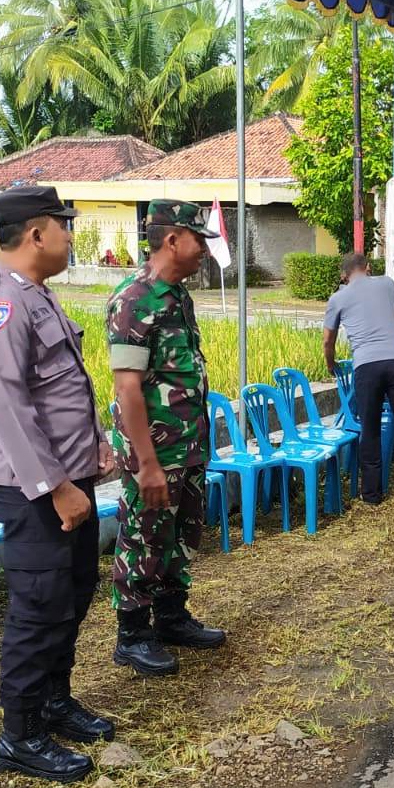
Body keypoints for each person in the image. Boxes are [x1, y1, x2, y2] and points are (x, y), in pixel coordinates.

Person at [0, 185, 117, 783]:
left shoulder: (37, 297)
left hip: (69, 478)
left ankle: (54, 699)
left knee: (73, 592)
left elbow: (64, 389)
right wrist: (55, 487)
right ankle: (19, 734)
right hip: (34, 489)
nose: (71, 238)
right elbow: (7, 406)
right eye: (65, 226)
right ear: (36, 234)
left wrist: (92, 448)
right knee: (39, 605)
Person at [106, 200, 227, 679]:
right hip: (153, 452)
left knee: (179, 536)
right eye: (200, 240)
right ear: (172, 239)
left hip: (187, 447)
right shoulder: (135, 299)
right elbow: (127, 387)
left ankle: (172, 617)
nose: (204, 251)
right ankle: (132, 635)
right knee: (143, 537)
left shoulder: (178, 296)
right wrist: (147, 462)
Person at [324, 252, 394, 505]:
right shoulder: (387, 283)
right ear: (368, 268)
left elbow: (327, 340)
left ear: (344, 275)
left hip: (366, 366)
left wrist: (330, 364)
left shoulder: (338, 298)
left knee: (370, 429)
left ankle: (372, 494)